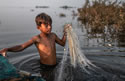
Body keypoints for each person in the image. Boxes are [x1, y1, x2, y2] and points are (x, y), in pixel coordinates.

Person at [0, 13, 69, 81]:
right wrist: (8, 49)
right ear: (38, 27)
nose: (49, 27)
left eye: (50, 24)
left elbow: (62, 43)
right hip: (45, 68)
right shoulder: (37, 38)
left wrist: (65, 33)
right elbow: (21, 46)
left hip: (55, 65)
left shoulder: (53, 36)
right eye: (46, 25)